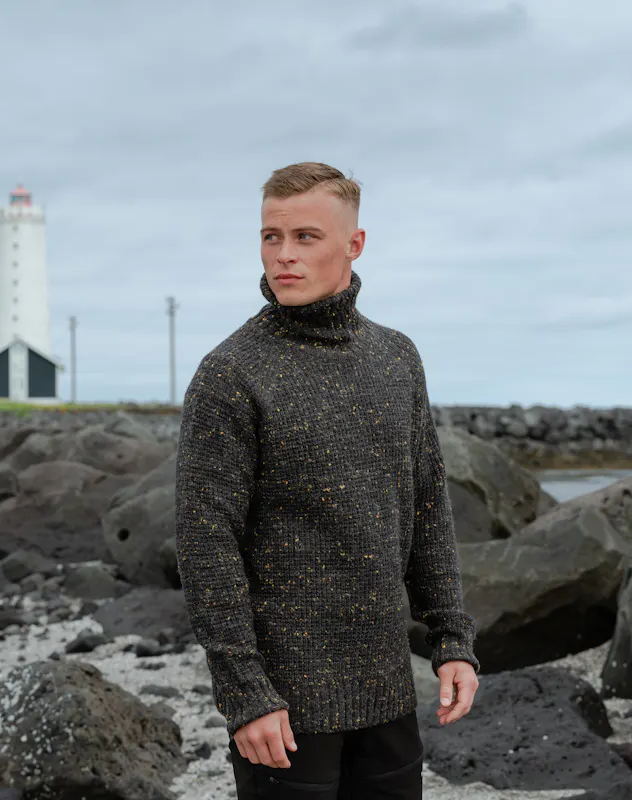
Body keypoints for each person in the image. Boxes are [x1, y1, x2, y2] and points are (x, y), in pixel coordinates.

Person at [174, 162, 479, 799]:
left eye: (305, 237)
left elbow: (425, 506)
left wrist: (452, 639)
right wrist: (246, 693)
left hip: (388, 689)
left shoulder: (397, 358)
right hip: (284, 709)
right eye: (270, 237)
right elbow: (207, 545)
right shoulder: (230, 374)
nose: (283, 256)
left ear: (354, 244)